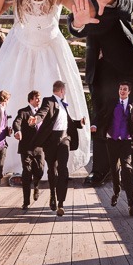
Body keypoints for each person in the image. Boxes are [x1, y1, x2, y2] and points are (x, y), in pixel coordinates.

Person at [0, 0, 90, 176]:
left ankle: (51, 160)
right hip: (19, 56)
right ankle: (23, 166)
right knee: (20, 105)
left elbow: (88, 10)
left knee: (53, 111)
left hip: (52, 55)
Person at [67, 0, 133, 187]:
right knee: (100, 122)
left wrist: (109, 0)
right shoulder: (85, 3)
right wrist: (78, 22)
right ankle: (101, 170)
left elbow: (125, 2)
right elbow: (75, 25)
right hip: (99, 73)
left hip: (126, 70)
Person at [29, 80, 86, 217]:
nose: (64, 93)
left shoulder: (63, 105)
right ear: (61, 91)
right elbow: (42, 113)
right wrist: (35, 119)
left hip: (64, 139)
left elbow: (67, 121)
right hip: (51, 141)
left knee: (63, 169)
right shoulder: (49, 101)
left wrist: (79, 123)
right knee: (52, 170)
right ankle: (53, 194)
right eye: (64, 91)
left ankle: (61, 202)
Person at [93, 81, 133, 217]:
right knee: (114, 169)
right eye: (120, 89)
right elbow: (100, 115)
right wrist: (94, 124)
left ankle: (131, 204)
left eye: (125, 89)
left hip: (126, 142)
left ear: (129, 92)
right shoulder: (111, 102)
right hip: (112, 141)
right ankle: (116, 191)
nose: (122, 91)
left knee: (127, 169)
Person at [13, 90, 45, 210]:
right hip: (26, 148)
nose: (39, 100)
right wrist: (17, 131)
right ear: (31, 99)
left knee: (40, 171)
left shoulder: (42, 113)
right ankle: (26, 201)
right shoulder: (23, 112)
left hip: (39, 148)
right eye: (37, 98)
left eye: (39, 98)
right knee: (27, 172)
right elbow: (17, 122)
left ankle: (36, 185)